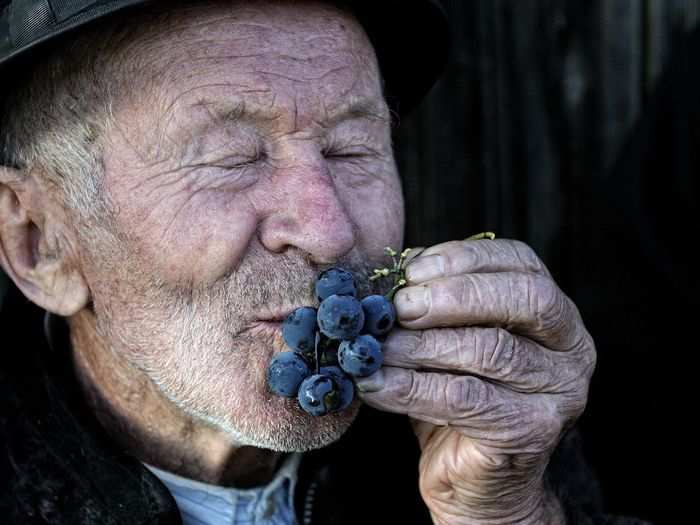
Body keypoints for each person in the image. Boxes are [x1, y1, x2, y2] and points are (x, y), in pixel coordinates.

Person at [0, 1, 646, 523]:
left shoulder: (482, 427)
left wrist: (506, 514)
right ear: (41, 241)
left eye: (350, 150)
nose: (329, 230)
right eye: (232, 157)